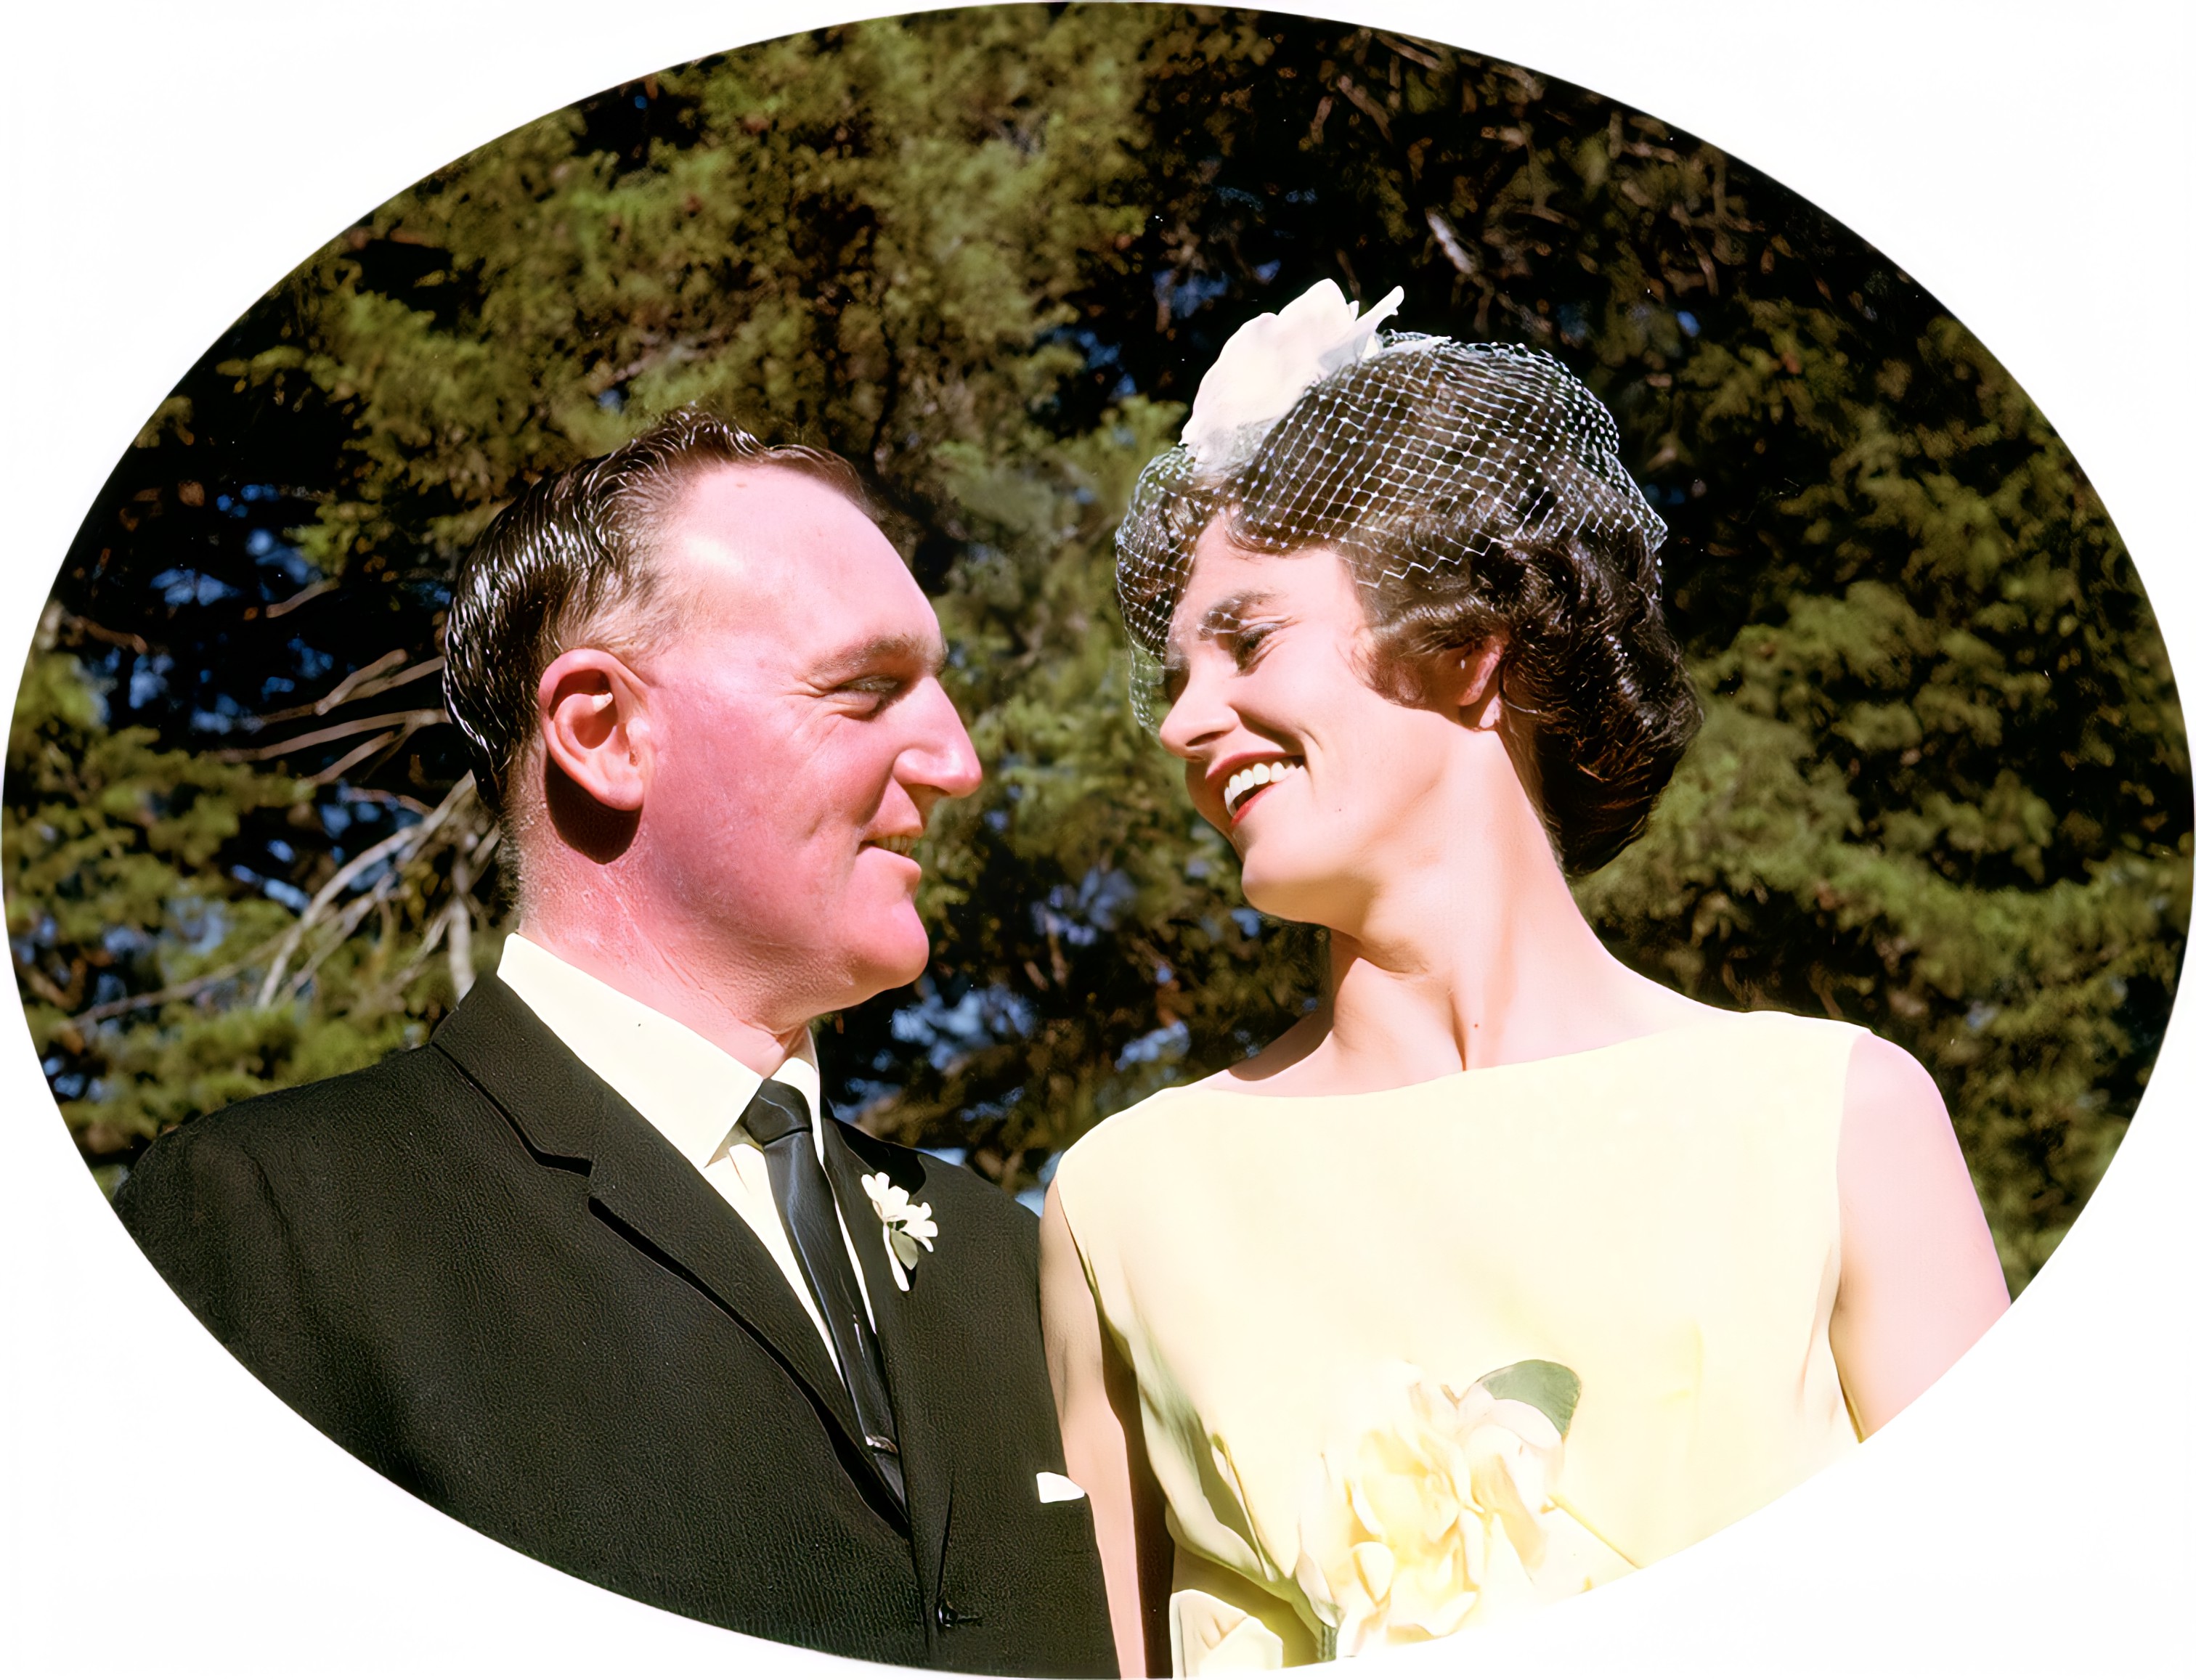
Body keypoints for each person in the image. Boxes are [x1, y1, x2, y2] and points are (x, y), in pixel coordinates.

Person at [1040, 282, 2010, 1674]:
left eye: (1248, 642)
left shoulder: (1836, 1120)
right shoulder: (1124, 1205)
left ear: (1462, 645)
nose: (1184, 722)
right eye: (1174, 671)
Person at [116, 411, 1117, 1675]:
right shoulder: (267, 1223)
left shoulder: (1011, 1261)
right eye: (866, 689)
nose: (958, 759)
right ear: (601, 730)